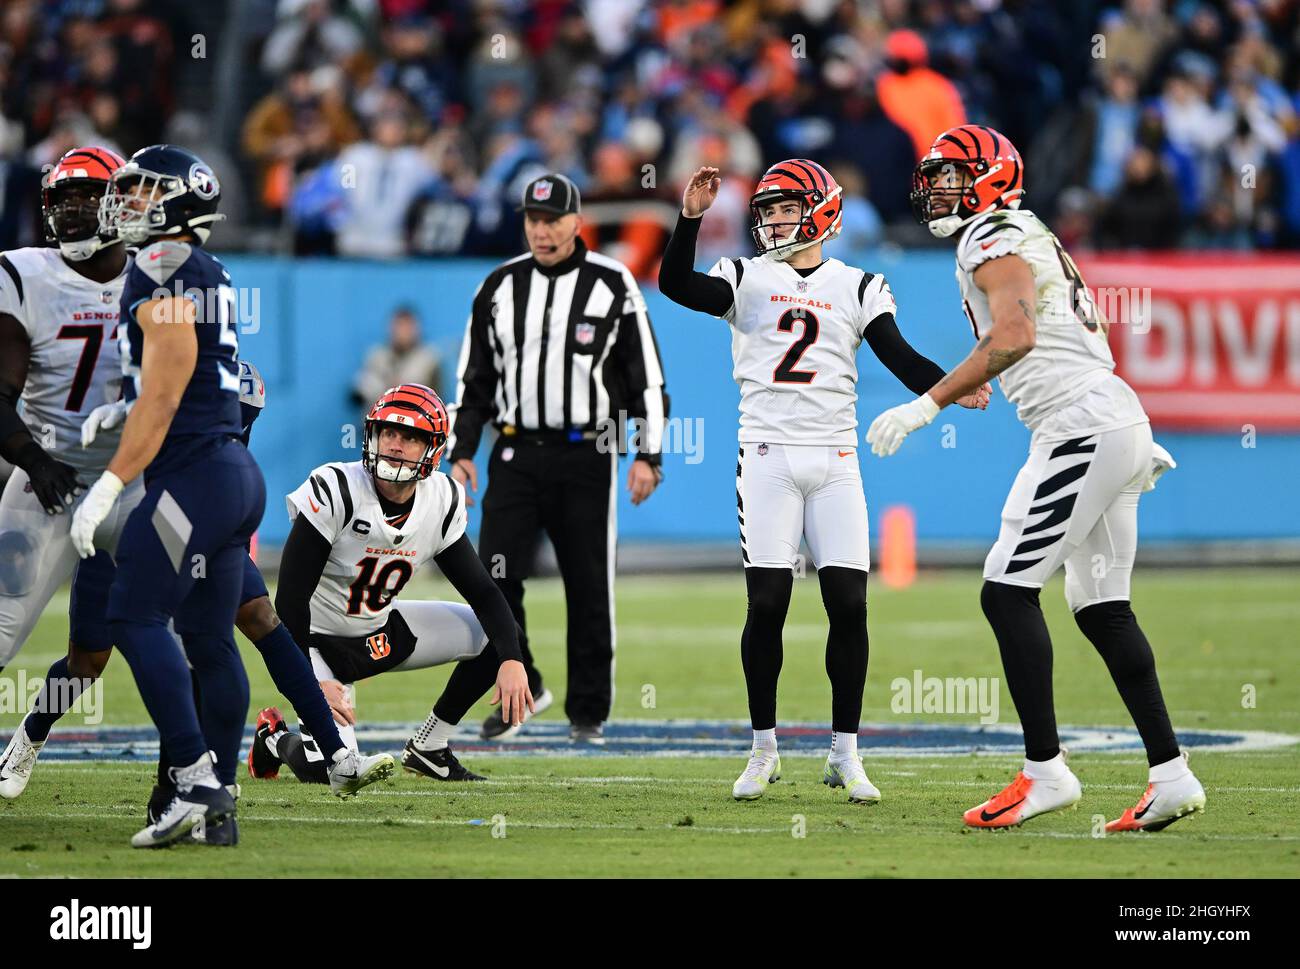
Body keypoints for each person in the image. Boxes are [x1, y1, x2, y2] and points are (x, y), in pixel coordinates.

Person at [869, 123, 1205, 832]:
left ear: (990, 179)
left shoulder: (989, 232)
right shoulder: (1019, 228)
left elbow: (1014, 334)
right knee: (1101, 605)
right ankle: (1171, 774)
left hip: (1079, 423)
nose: (937, 190)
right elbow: (1018, 335)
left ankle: (1046, 770)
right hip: (1110, 417)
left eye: (952, 176)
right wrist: (965, 376)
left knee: (1006, 589)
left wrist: (926, 404)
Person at [68, 145, 381, 848]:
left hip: (197, 478)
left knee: (134, 614)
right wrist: (126, 409)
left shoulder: (161, 266)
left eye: (146, 192)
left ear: (180, 201)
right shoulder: (200, 269)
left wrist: (112, 479)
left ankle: (194, 776)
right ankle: (224, 808)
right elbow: (200, 378)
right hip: (232, 473)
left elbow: (172, 386)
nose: (129, 202)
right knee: (215, 636)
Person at [657, 159, 989, 804]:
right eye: (768, 209)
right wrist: (689, 218)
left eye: (785, 208)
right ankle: (763, 750)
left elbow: (900, 355)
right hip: (768, 456)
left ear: (821, 211)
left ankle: (846, 752)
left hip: (836, 459)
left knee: (850, 606)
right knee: (768, 606)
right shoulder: (745, 277)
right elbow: (675, 284)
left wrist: (952, 386)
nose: (773, 219)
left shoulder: (858, 285)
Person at [449, 172, 668, 744]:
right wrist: (463, 450)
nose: (542, 231)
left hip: (587, 453)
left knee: (588, 584)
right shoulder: (497, 286)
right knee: (493, 579)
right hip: (516, 450)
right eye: (533, 221)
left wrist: (649, 454)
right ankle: (527, 686)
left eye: (552, 221)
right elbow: (474, 378)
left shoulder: (612, 283)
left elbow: (645, 377)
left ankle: (588, 713)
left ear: (576, 222)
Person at [247, 383, 532, 784]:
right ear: (373, 435)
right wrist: (310, 684)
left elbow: (484, 593)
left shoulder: (439, 500)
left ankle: (431, 747)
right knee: (330, 770)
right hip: (320, 641)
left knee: (501, 638)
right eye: (389, 433)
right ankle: (273, 737)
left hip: (380, 629)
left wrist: (513, 660)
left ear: (432, 449)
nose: (396, 444)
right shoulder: (338, 490)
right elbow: (291, 600)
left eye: (411, 437)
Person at [351, 305, 443, 412]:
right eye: (400, 325)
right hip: (378, 419)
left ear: (417, 329)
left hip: (414, 421)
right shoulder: (376, 356)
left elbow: (436, 398)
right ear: (391, 328)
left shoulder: (429, 358)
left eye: (408, 326)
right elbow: (360, 392)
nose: (403, 332)